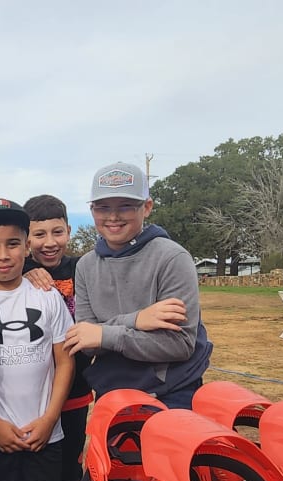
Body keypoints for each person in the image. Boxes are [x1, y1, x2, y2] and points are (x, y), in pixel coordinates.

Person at [64, 161, 212, 409]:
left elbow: (179, 345)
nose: (113, 216)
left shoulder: (173, 258)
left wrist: (105, 334)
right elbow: (86, 341)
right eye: (103, 207)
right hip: (112, 392)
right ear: (92, 210)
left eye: (125, 206)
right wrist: (137, 320)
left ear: (147, 207)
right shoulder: (86, 265)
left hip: (171, 393)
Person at [0, 199, 75, 481]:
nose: (3, 255)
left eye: (13, 244)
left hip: (44, 435)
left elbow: (64, 361)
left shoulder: (47, 295)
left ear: (27, 247)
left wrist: (49, 420)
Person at [22, 195, 94, 481]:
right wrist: (25, 270)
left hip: (75, 390)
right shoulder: (19, 270)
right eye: (39, 234)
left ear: (69, 231)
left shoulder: (83, 268)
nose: (49, 242)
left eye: (57, 232)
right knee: (35, 464)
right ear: (26, 238)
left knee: (69, 466)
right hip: (33, 395)